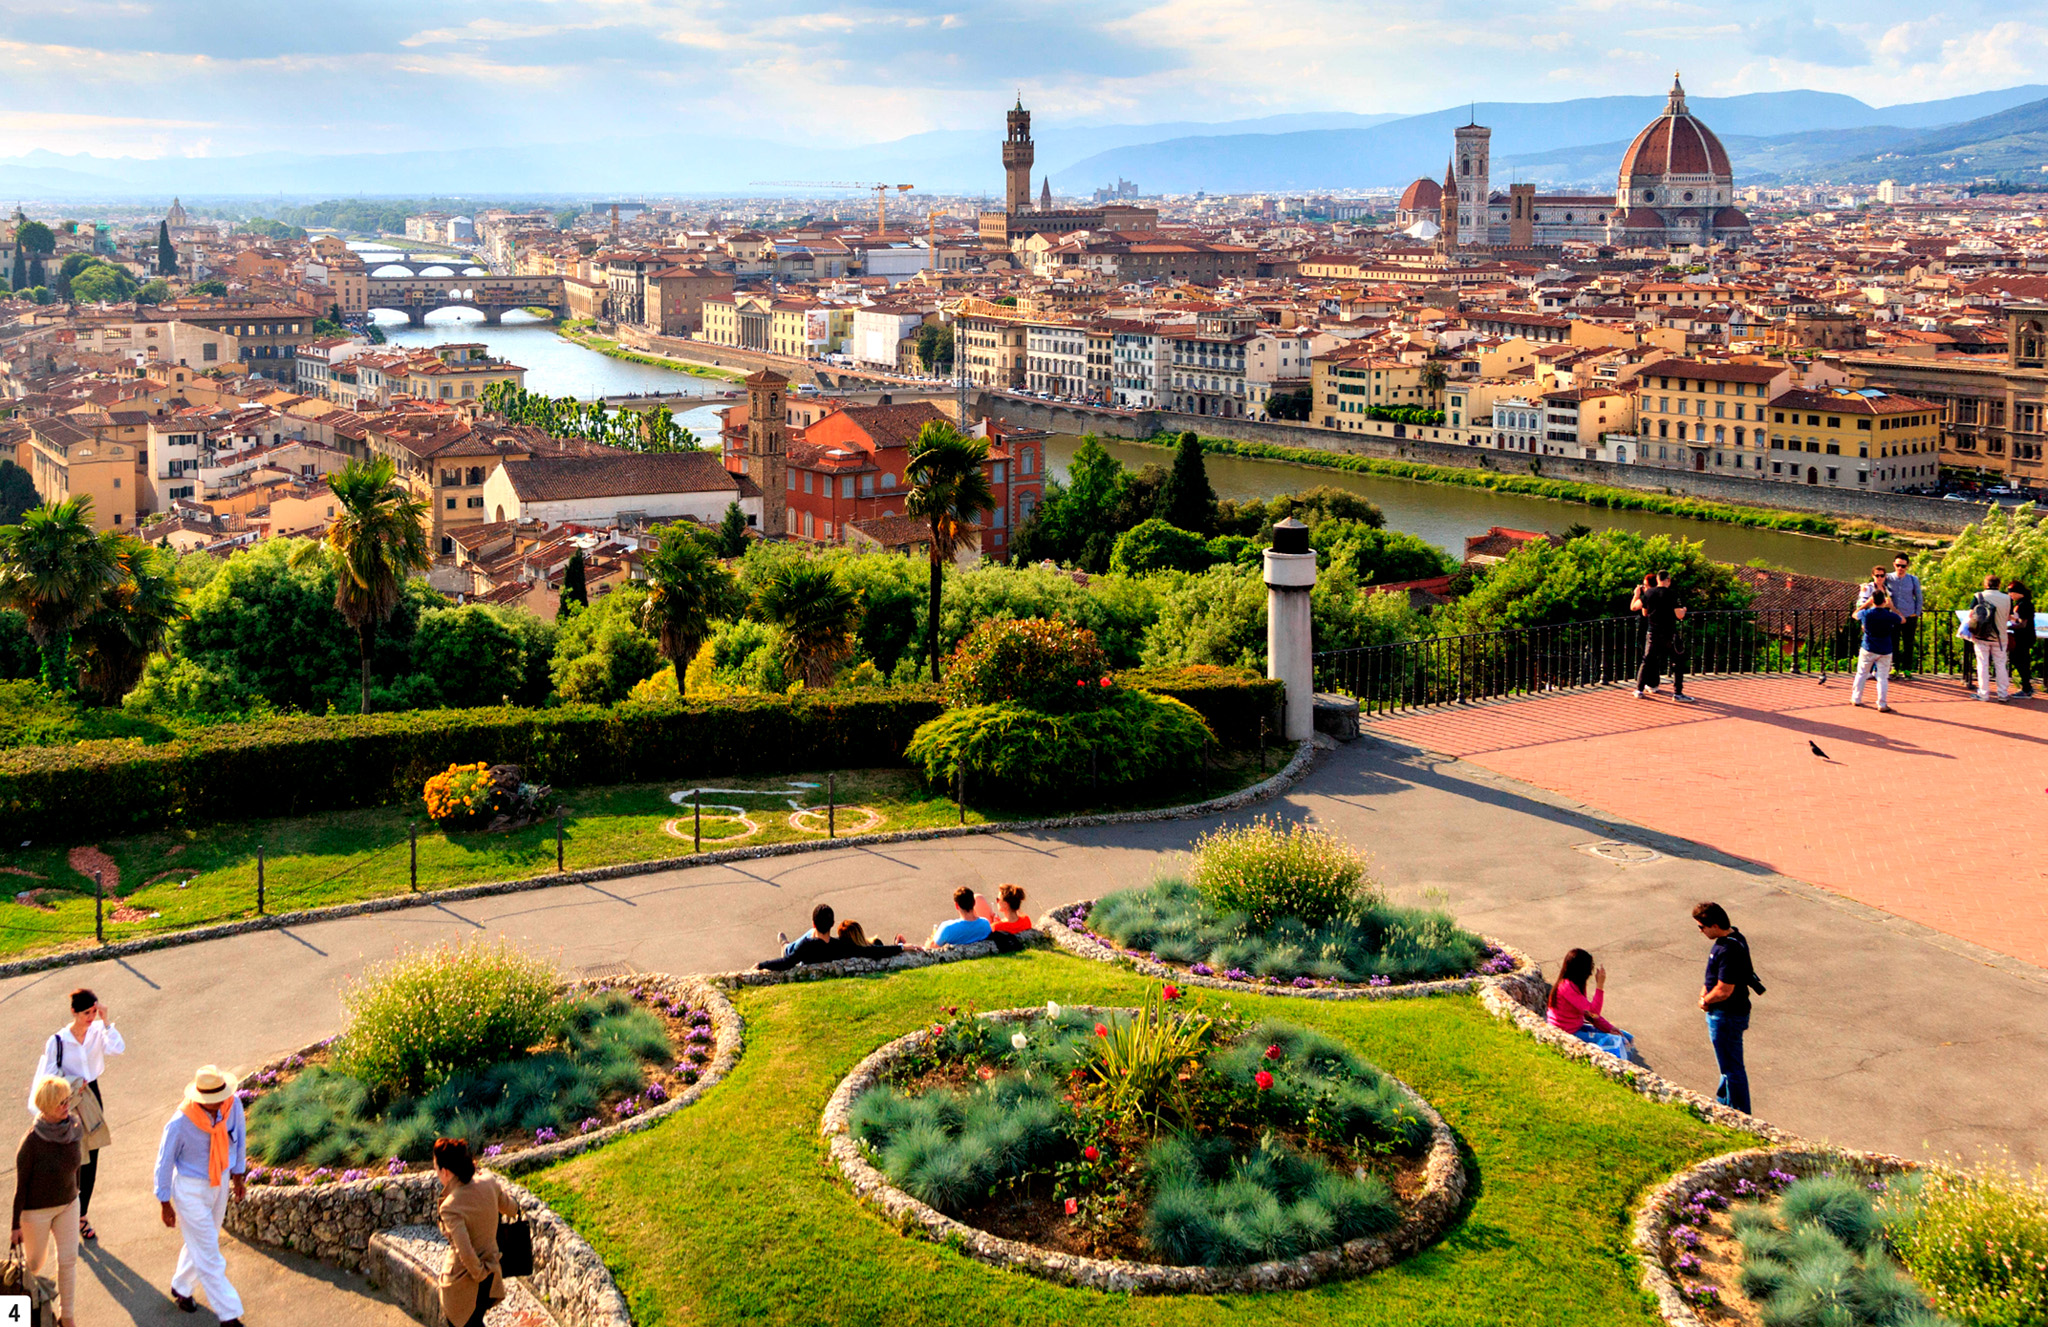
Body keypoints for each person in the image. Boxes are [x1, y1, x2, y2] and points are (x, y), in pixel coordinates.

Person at [155, 1065, 247, 1326]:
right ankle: (229, 1314)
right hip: (190, 1189)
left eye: (222, 1097)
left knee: (204, 1242)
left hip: (221, 1180)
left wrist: (239, 1177)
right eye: (213, 1101)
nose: (220, 1104)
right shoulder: (180, 1122)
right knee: (209, 1252)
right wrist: (165, 1203)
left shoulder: (233, 1105)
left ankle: (181, 1287)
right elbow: (164, 1164)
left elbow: (239, 1140)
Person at [28, 987, 123, 1240]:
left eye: (93, 1012)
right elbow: (48, 1075)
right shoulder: (58, 1040)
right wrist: (72, 1080)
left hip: (91, 1095)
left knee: (92, 1155)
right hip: (66, 1099)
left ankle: (82, 1217)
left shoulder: (97, 1031)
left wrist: (106, 1020)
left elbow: (117, 1048)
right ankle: (66, 1213)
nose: (90, 1017)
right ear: (73, 1012)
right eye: (86, 1013)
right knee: (72, 1158)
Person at [12, 1076, 81, 1327]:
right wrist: (15, 1226)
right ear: (47, 1107)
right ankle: (21, 1318)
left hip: (69, 1205)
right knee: (33, 1265)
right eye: (61, 1103)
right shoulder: (31, 1142)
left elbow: (78, 1163)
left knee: (68, 1260)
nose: (67, 1106)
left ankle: (68, 1317)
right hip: (35, 1212)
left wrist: (77, 1192)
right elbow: (21, 1188)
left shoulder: (74, 1126)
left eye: (68, 1100)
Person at [433, 1137, 521, 1327]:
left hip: (463, 1286)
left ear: (446, 1171)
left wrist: (480, 1273)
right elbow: (511, 1208)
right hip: (491, 1279)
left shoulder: (450, 1206)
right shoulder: (488, 1180)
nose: (437, 1175)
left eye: (437, 1170)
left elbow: (464, 1250)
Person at [1694, 902, 1758, 1115]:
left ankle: (1740, 1115)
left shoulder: (1727, 949)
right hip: (1729, 1013)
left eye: (1701, 927)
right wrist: (1705, 990)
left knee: (1732, 1069)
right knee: (1727, 1066)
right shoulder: (1734, 938)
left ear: (1714, 925)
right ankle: (1724, 1105)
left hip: (1726, 1015)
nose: (1700, 931)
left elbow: (1724, 990)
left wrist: (1705, 1001)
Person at [1544, 949, 1635, 1061]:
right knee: (1617, 1042)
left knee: (1624, 1036)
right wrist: (1600, 986)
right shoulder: (1566, 987)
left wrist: (1609, 1028)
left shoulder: (1575, 985)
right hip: (1566, 1031)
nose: (1591, 973)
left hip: (1575, 1027)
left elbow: (1589, 1015)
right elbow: (1594, 1013)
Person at [1632, 569, 1693, 702]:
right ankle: (1677, 693)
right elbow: (1679, 615)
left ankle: (1639, 690)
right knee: (1677, 662)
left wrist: (1637, 596)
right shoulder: (1671, 594)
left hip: (1652, 633)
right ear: (1668, 580)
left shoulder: (1649, 593)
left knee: (1646, 661)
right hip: (1669, 633)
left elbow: (1642, 611)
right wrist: (1684, 610)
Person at [756, 920, 908, 971]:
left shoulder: (837, 947)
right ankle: (787, 946)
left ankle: (786, 947)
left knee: (810, 933)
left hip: (801, 953)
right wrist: (900, 946)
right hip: (875, 948)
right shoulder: (871, 946)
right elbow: (879, 952)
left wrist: (762, 965)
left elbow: (787, 963)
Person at [1851, 587, 1903, 713]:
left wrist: (1866, 603)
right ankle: (1882, 703)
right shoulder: (1889, 615)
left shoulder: (1866, 614)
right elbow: (1903, 619)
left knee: (1862, 674)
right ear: (1884, 601)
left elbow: (1854, 615)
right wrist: (1893, 607)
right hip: (1885, 649)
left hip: (1868, 647)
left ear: (1873, 600)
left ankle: (1856, 698)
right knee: (1882, 678)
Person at [1963, 573, 2014, 702]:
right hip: (2000, 637)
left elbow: (1971, 615)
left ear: (1985, 585)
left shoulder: (1979, 596)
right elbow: (2009, 616)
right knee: (2001, 665)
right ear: (1999, 585)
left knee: (1982, 664)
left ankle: (1983, 693)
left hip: (1982, 636)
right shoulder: (2007, 599)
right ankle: (2003, 694)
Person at [1887, 554, 1923, 673]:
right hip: (1893, 617)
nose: (1900, 568)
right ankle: (1895, 668)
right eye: (1898, 565)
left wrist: (1916, 614)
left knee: (1908, 644)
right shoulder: (1888, 578)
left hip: (1909, 616)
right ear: (1894, 565)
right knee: (1893, 643)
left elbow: (1919, 597)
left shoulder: (1913, 579)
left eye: (1903, 566)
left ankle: (1907, 669)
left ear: (1907, 566)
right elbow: (1877, 587)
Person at [929, 886, 994, 947]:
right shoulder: (985, 924)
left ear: (956, 905)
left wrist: (932, 938)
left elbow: (931, 947)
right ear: (974, 903)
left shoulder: (947, 928)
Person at [2007, 580, 2037, 698]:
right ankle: (2026, 686)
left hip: (2023, 637)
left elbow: (2023, 623)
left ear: (2018, 592)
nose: (2010, 595)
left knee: (2020, 661)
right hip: (2025, 636)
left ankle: (2026, 688)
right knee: (2020, 660)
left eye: (2011, 592)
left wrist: (2009, 625)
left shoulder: (2024, 605)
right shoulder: (2023, 603)